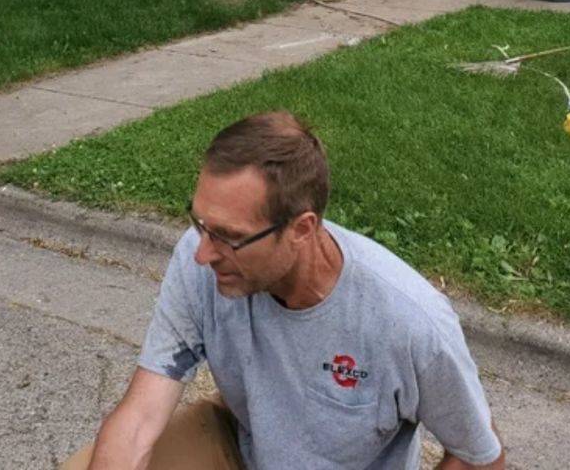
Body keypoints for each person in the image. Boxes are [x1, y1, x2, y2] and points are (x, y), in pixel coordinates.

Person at [62, 111, 504, 470]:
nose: (203, 253)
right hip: (241, 449)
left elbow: (480, 457)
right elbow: (139, 417)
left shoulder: (409, 321)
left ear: (302, 228)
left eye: (229, 236)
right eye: (200, 224)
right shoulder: (203, 257)